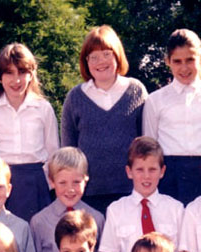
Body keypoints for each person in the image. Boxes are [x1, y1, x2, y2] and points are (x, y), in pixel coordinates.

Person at [61, 25, 147, 214]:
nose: (101, 61)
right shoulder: (75, 97)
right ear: (86, 62)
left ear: (117, 55)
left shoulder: (136, 91)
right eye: (94, 57)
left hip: (130, 191)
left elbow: (146, 143)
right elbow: (68, 151)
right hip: (88, 195)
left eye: (107, 54)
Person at [142, 29, 201, 205]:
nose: (184, 68)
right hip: (168, 176)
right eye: (177, 61)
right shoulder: (155, 100)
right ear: (168, 62)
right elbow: (150, 146)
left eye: (190, 60)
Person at [0, 42, 59, 222]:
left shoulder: (43, 108)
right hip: (0, 184)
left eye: (22, 72)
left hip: (36, 183)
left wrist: (43, 182)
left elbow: (53, 153)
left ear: (31, 75)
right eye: (9, 73)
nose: (16, 80)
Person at [100, 136, 183, 252]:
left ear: (162, 171)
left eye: (152, 169)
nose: (146, 176)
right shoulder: (116, 210)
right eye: (139, 170)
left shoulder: (176, 209)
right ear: (129, 172)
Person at [30, 147, 105, 252]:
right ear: (52, 181)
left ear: (85, 180)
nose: (70, 189)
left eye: (76, 182)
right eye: (62, 183)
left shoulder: (97, 219)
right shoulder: (39, 222)